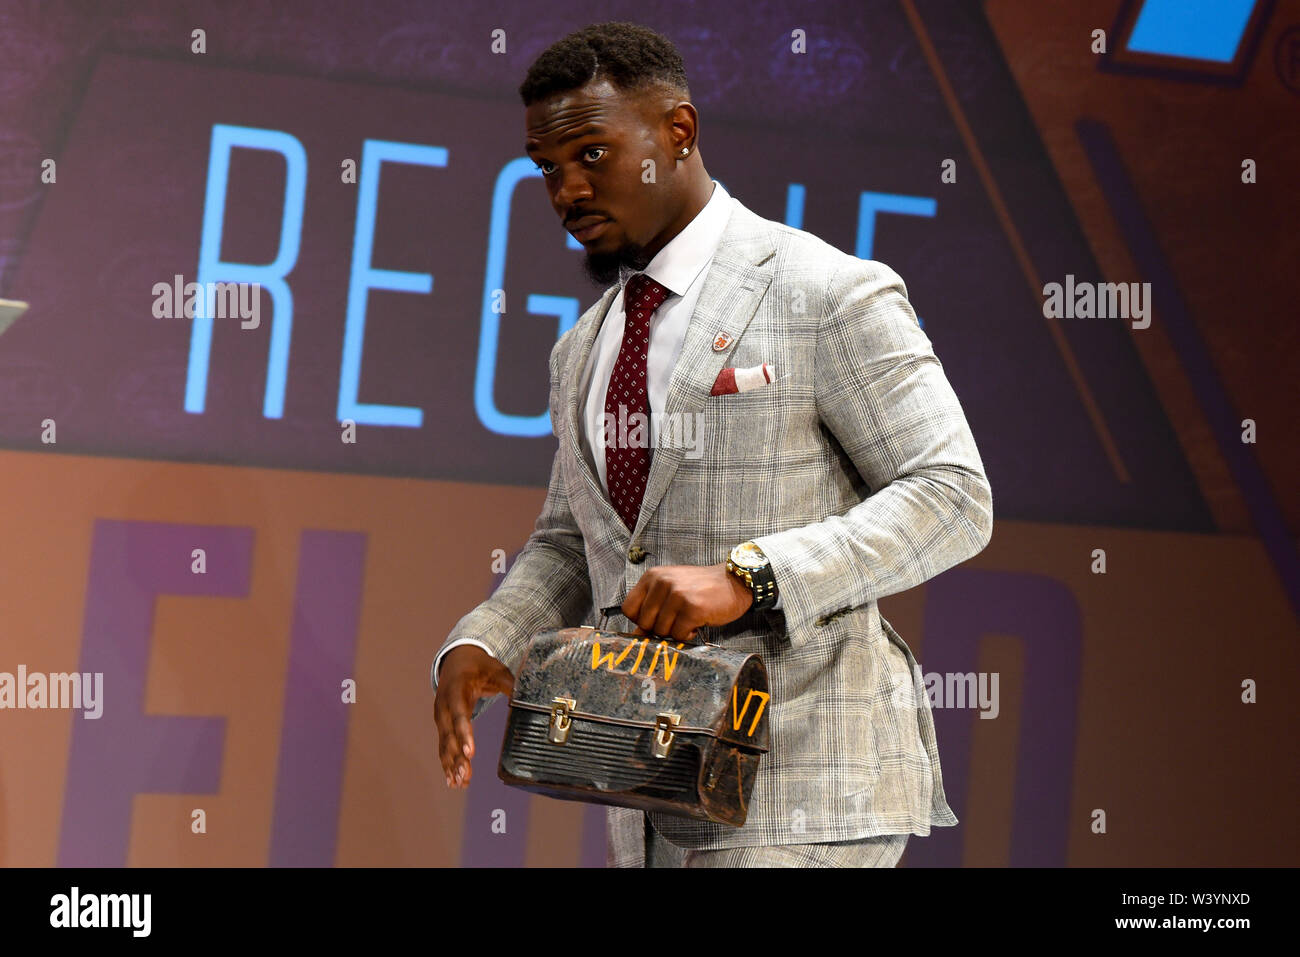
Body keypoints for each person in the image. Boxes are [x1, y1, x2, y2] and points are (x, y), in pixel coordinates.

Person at [432, 21, 992, 868]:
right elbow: (574, 545)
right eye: (547, 168)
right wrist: (482, 641)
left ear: (677, 132)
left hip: (809, 787)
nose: (566, 190)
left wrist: (750, 577)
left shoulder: (824, 291)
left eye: (591, 154)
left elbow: (953, 494)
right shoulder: (583, 348)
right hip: (650, 790)